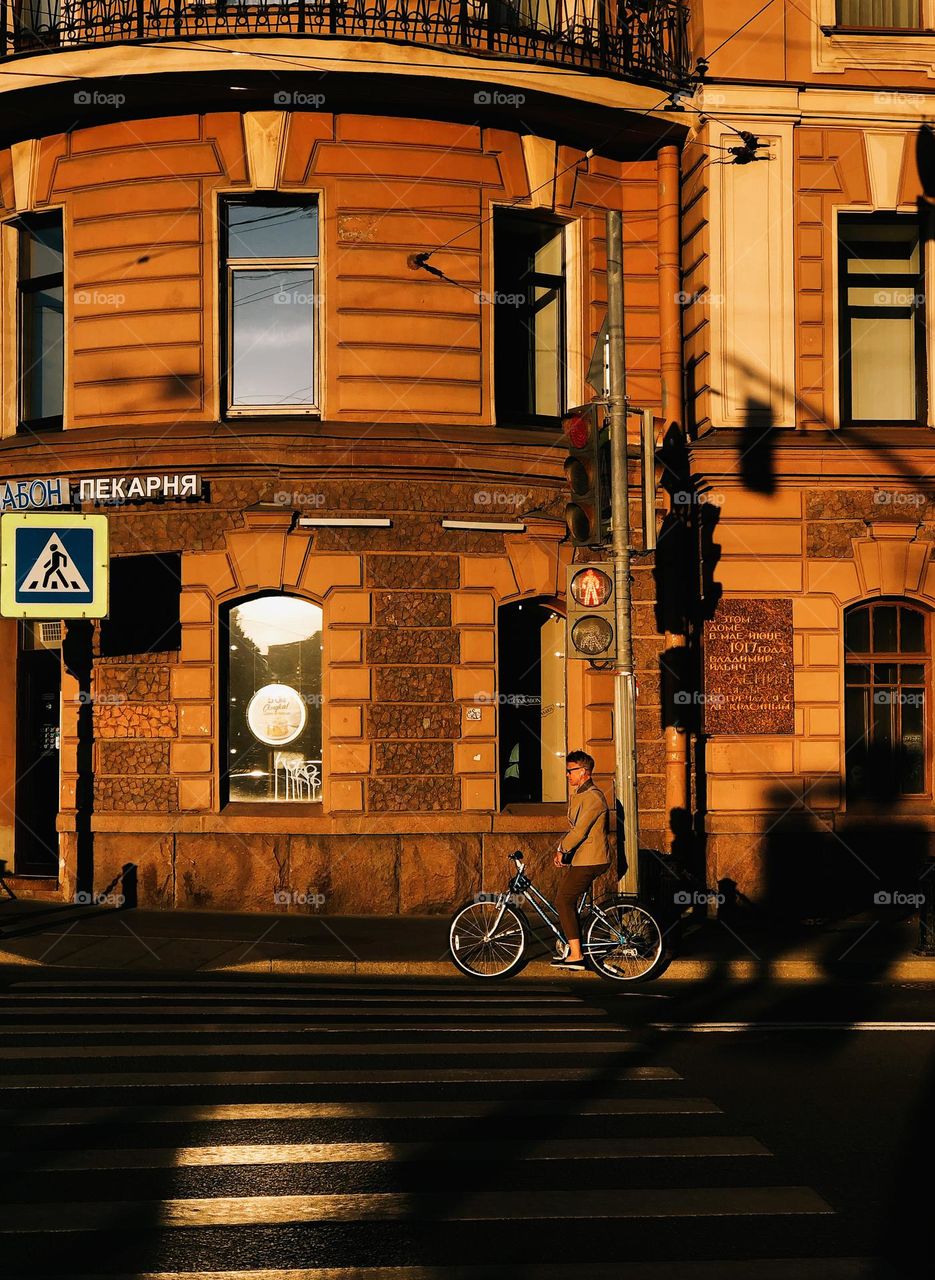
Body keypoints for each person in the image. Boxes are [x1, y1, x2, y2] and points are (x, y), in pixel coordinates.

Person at [551, 750, 612, 970]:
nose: (567, 775)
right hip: (583, 858)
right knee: (569, 900)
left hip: (592, 859)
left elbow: (580, 831)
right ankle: (572, 942)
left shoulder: (593, 797)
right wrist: (567, 854)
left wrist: (562, 849)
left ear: (584, 772)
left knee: (563, 900)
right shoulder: (581, 794)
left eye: (570, 771)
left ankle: (576, 955)